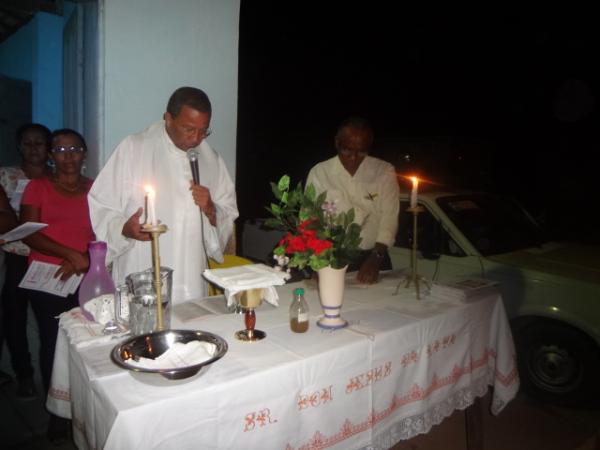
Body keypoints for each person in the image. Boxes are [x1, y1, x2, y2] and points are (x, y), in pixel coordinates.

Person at [88, 87, 238, 302]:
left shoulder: (211, 159)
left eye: (203, 131)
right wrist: (124, 228)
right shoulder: (134, 148)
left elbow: (228, 211)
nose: (196, 139)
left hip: (192, 276)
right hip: (144, 269)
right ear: (168, 119)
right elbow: (101, 204)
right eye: (188, 129)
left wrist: (212, 209)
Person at [20, 128, 94, 442]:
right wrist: (69, 254)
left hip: (85, 275)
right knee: (53, 343)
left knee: (85, 343)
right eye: (60, 150)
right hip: (47, 279)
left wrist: (85, 260)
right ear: (51, 155)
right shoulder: (37, 187)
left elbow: (103, 231)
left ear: (85, 154)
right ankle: (57, 413)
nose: (68, 156)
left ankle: (83, 406)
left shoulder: (95, 189)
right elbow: (29, 232)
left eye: (74, 149)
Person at [306, 117, 400, 284]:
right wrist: (318, 262)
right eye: (347, 150)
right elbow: (310, 220)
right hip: (332, 258)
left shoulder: (384, 171)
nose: (354, 158)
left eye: (362, 151)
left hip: (375, 256)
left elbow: (389, 217)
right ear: (337, 143)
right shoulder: (320, 172)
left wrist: (376, 258)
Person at [0, 123, 52, 398]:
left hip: (47, 255)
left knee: (49, 321)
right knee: (14, 319)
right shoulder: (6, 175)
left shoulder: (56, 178)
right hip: (16, 256)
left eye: (39, 143)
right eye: (27, 143)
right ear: (19, 146)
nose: (33, 148)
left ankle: (54, 376)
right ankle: (24, 375)